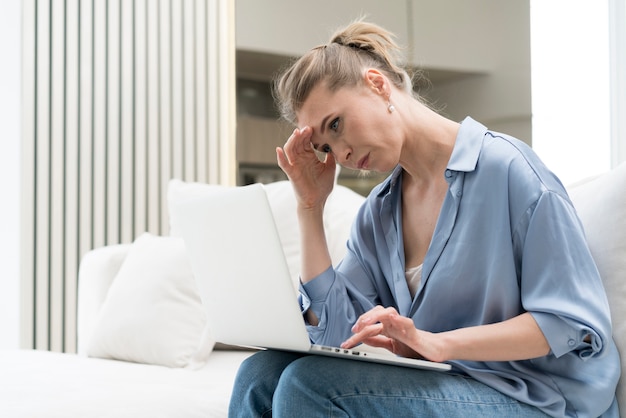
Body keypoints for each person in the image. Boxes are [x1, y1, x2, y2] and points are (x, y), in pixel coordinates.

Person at [228, 20, 620, 418]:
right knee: (259, 375)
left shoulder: (510, 171)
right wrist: (310, 207)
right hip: (449, 383)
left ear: (378, 84)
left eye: (337, 124)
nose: (340, 154)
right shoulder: (378, 214)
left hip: (538, 398)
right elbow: (336, 339)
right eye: (325, 146)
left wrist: (440, 343)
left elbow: (571, 323)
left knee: (309, 386)